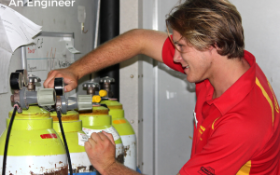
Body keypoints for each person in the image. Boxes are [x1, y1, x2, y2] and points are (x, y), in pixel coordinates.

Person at [44, 0, 280, 174]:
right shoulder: (228, 66)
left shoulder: (243, 122)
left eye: (182, 47)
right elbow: (140, 40)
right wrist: (76, 70)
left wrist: (107, 165)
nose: (176, 58)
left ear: (214, 44)